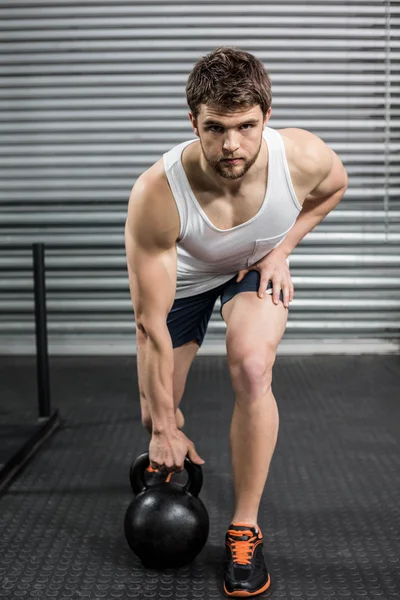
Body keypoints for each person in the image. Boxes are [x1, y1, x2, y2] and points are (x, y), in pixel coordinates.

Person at [125, 47, 348, 598]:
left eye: (246, 127)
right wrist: (164, 426)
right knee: (157, 409)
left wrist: (282, 251)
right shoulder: (158, 193)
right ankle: (166, 450)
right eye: (216, 128)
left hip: (254, 265)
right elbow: (151, 323)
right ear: (193, 122)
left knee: (252, 367)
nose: (232, 145)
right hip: (189, 281)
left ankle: (244, 527)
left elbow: (334, 188)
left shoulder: (302, 155)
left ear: (266, 118)